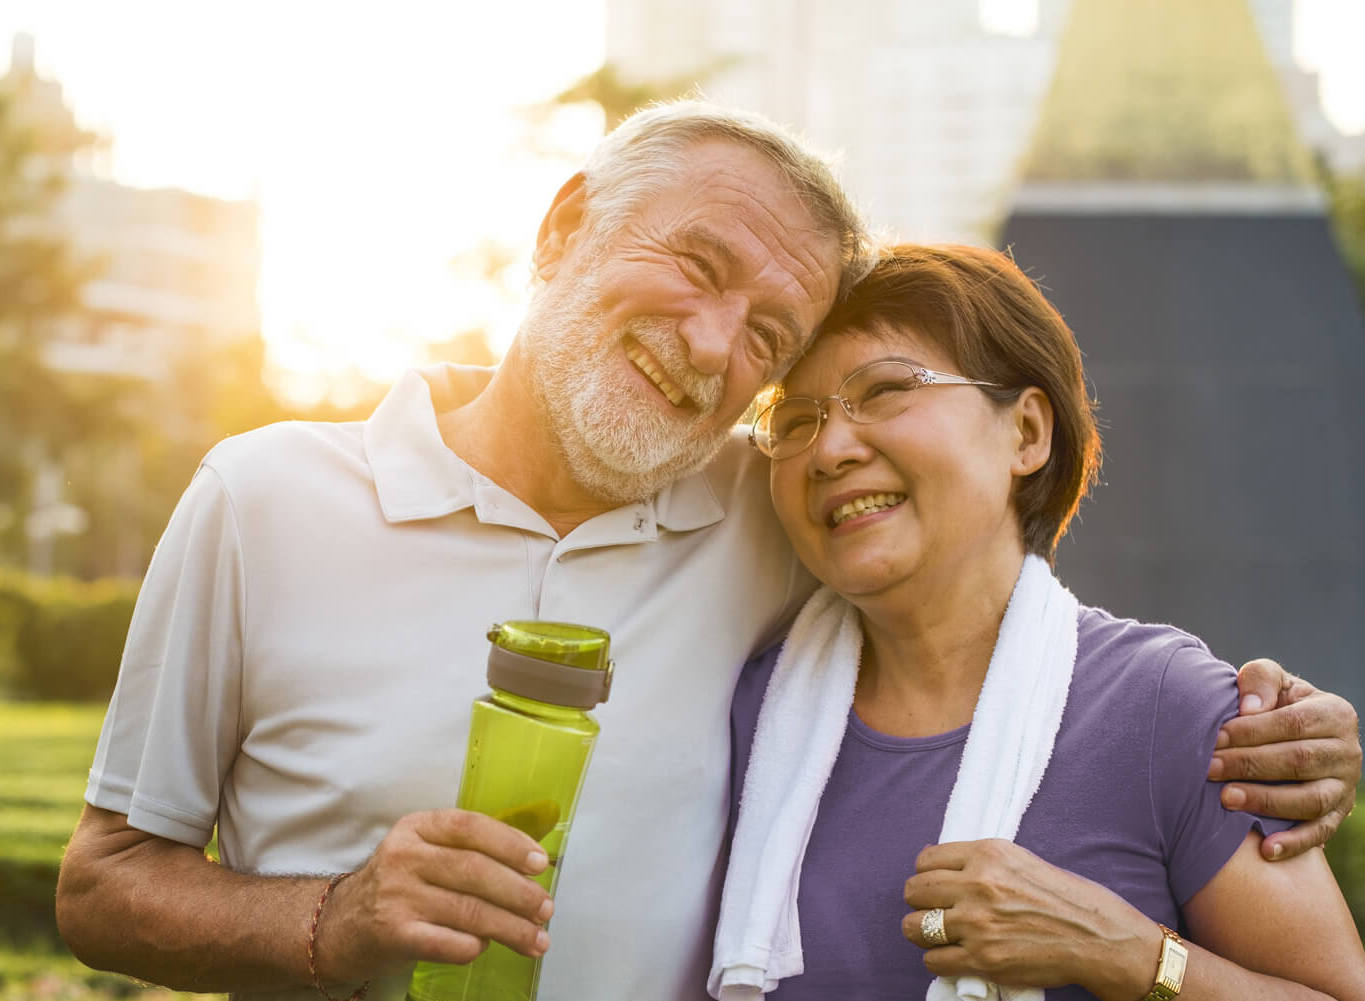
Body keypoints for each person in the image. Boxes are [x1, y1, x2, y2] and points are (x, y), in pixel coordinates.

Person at [55, 104, 1358, 1001]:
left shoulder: (770, 505)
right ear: (564, 229)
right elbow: (103, 886)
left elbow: (998, 615)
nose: (709, 344)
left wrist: (1279, 723)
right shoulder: (261, 497)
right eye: (694, 262)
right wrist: (331, 919)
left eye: (769, 337)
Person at [714, 243, 1365, 1001]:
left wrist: (1129, 954)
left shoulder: (1166, 706)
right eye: (795, 419)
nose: (827, 448)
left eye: (886, 389)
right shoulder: (742, 716)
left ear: (1026, 432)